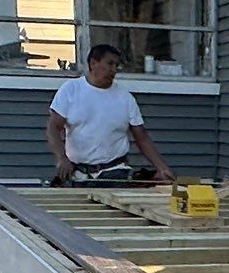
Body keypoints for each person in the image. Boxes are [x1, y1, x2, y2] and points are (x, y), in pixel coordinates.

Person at [46, 43, 174, 184]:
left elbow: (142, 138)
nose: (113, 70)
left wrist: (162, 169)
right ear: (93, 63)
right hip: (78, 173)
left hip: (114, 172)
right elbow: (53, 128)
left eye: (116, 66)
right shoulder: (70, 90)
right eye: (110, 64)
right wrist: (61, 159)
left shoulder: (125, 98)